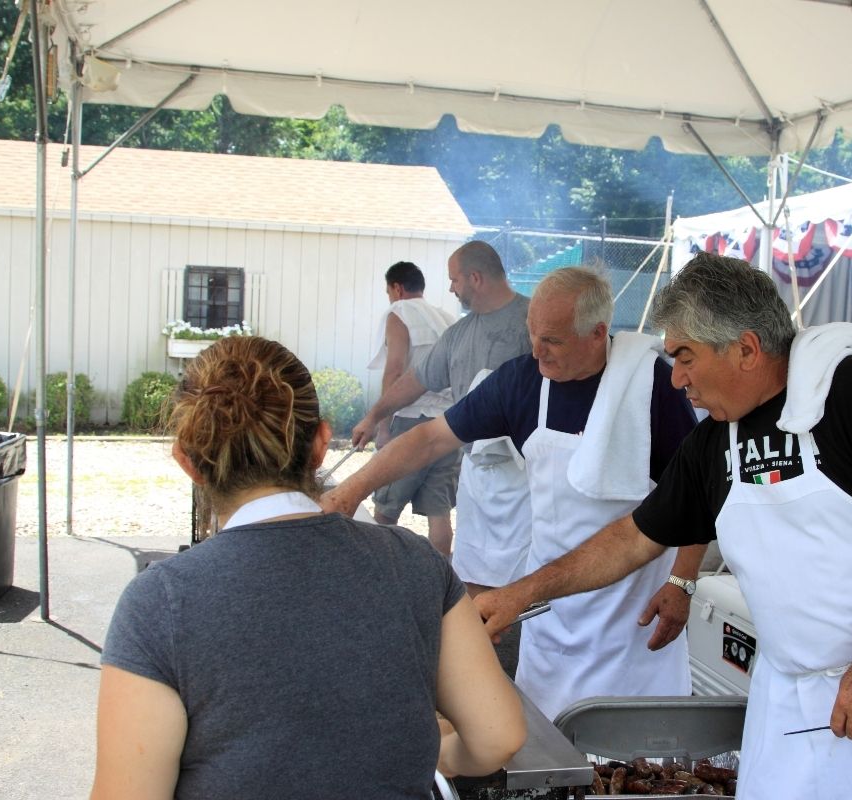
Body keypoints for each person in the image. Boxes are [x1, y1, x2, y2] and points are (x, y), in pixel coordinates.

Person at [476, 253, 852, 798]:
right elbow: (632, 539)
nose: (676, 379)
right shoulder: (716, 439)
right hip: (787, 697)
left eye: (686, 357)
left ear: (745, 348)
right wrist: (520, 594)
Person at [91, 336, 525, 800]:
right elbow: (498, 735)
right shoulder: (415, 561)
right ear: (320, 444)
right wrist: (444, 756)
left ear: (188, 461)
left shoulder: (159, 603)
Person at [325, 267, 704, 720]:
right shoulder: (521, 381)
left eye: (553, 340)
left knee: (635, 765)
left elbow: (696, 494)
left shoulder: (651, 388)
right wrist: (348, 493)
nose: (536, 350)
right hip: (547, 608)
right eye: (532, 335)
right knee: (549, 754)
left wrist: (682, 581)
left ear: (598, 333)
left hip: (634, 616)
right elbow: (430, 439)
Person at [350, 241, 533, 598]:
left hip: (529, 474)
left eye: (454, 280)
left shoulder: (532, 321)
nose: (450, 289)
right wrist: (375, 415)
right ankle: (470, 625)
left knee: (527, 576)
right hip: (476, 471)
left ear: (475, 278)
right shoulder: (458, 334)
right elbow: (415, 381)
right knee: (472, 566)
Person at [366, 261, 460, 556]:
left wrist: (382, 425)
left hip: (411, 419)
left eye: (388, 291)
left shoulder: (400, 312)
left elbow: (394, 371)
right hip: (448, 424)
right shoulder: (447, 318)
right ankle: (442, 582)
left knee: (386, 508)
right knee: (439, 512)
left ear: (397, 288)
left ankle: (378, 576)